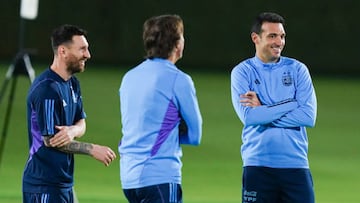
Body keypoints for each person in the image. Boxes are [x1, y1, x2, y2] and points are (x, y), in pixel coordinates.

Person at [22, 24, 117, 203]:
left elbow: (82, 122)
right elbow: (51, 140)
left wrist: (72, 131)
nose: (88, 55)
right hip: (43, 185)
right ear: (63, 51)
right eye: (82, 49)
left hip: (64, 184)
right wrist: (91, 149)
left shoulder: (73, 84)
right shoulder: (47, 89)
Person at [230, 12, 317, 203]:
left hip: (296, 166)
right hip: (258, 166)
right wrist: (292, 103)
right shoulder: (242, 72)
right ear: (255, 38)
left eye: (282, 36)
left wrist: (264, 109)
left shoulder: (298, 70)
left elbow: (308, 116)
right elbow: (250, 118)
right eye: (272, 36)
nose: (279, 42)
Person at [118, 14, 202, 203]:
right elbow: (195, 135)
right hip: (160, 177)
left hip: (129, 179)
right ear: (177, 44)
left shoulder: (129, 77)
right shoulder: (178, 79)